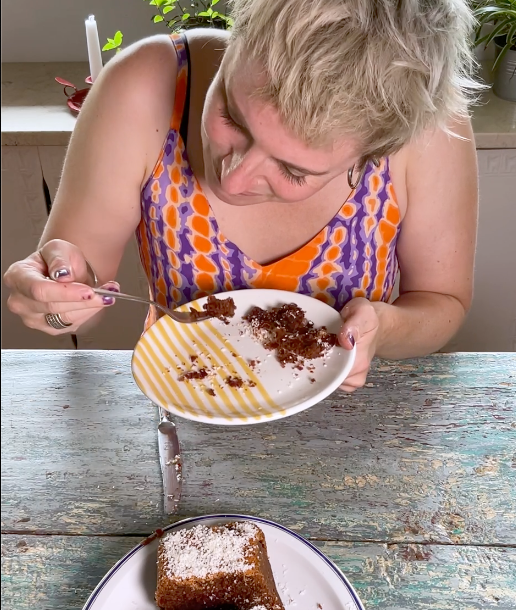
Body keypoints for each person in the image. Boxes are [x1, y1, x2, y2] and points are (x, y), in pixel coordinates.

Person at [4, 0, 480, 392]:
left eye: (294, 170)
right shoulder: (142, 86)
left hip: (359, 427)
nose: (232, 182)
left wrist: (382, 327)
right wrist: (57, 300)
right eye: (232, 115)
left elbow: (442, 302)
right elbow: (76, 295)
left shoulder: (432, 131)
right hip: (186, 401)